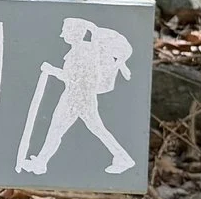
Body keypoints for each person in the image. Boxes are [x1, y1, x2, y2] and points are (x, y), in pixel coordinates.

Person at [17, 16, 136, 176]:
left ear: (74, 33)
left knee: (82, 129)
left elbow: (75, 77)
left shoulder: (84, 51)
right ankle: (41, 162)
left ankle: (123, 158)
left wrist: (52, 70)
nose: (62, 34)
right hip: (73, 95)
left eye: (65, 31)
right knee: (60, 130)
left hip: (79, 97)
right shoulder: (80, 50)